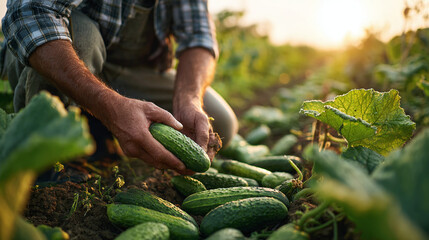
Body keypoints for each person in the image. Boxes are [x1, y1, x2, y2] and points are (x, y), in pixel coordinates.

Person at [0, 0, 238, 175]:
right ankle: (44, 156)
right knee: (83, 38)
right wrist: (111, 107)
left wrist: (188, 100)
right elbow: (29, 13)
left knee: (221, 123)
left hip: (129, 70)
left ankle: (99, 135)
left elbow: (199, 38)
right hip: (71, 58)